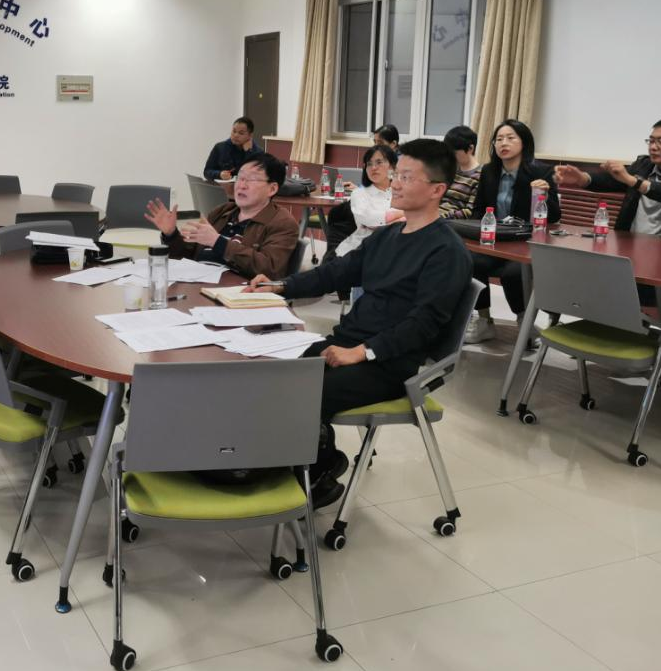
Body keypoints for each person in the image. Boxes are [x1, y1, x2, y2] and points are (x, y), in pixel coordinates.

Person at [245, 139, 472, 505]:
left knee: (302, 393)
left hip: (389, 363)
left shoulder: (446, 251)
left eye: (407, 177)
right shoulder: (388, 236)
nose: (395, 183)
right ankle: (315, 460)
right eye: (396, 175)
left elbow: (424, 325)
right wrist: (281, 286)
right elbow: (336, 272)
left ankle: (310, 474)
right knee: (274, 376)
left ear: (437, 190)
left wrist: (362, 352)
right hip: (349, 343)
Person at [466, 120, 560, 344]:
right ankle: (484, 321)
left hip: (524, 242)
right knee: (470, 260)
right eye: (499, 139)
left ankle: (523, 322)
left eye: (510, 138)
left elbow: (554, 216)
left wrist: (545, 195)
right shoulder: (489, 171)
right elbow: (479, 209)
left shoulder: (540, 172)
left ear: (523, 142)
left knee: (513, 272)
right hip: (493, 240)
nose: (503, 143)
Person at [147, 151, 299, 279]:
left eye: (251, 180)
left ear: (272, 189)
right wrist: (171, 234)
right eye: (240, 178)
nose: (241, 185)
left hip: (238, 294)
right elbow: (185, 256)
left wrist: (218, 242)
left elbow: (269, 269)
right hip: (199, 285)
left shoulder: (282, 223)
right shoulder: (222, 212)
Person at [553, 117, 661, 240]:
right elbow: (613, 180)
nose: (653, 147)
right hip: (630, 244)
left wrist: (634, 181)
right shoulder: (643, 165)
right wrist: (582, 178)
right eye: (651, 141)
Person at [334, 145, 403, 258]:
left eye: (379, 162)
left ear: (392, 166)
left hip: (394, 249)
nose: (373, 168)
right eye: (369, 164)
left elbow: (416, 219)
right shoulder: (359, 193)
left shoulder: (402, 192)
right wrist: (402, 214)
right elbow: (369, 218)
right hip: (360, 250)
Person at [440, 125, 481, 220]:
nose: (450, 157)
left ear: (470, 148)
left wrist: (441, 217)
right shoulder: (450, 170)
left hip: (450, 221)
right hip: (432, 215)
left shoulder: (480, 176)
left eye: (454, 153)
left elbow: (470, 211)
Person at [203, 117, 263, 181]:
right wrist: (219, 174)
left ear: (250, 135)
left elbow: (256, 176)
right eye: (234, 131)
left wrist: (248, 152)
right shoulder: (220, 147)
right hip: (223, 186)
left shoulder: (258, 152)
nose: (236, 135)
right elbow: (207, 172)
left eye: (241, 133)